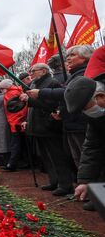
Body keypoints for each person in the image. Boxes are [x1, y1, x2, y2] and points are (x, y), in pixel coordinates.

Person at [27, 45, 93, 168]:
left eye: (72, 55)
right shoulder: (74, 74)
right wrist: (61, 113)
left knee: (87, 162)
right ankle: (85, 186)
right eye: (67, 55)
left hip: (80, 124)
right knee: (79, 161)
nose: (68, 58)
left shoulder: (85, 74)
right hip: (71, 123)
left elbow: (68, 93)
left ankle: (91, 187)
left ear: (85, 57)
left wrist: (41, 93)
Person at [21, 63, 75, 196]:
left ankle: (65, 185)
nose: (31, 74)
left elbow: (52, 104)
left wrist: (30, 101)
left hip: (49, 126)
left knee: (58, 156)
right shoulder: (34, 85)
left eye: (33, 71)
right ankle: (54, 181)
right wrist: (27, 120)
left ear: (44, 71)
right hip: (38, 126)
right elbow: (32, 107)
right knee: (46, 157)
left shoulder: (52, 83)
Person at [65, 77, 105, 211]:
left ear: (100, 96)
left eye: (86, 108)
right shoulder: (96, 118)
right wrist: (85, 181)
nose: (86, 112)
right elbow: (92, 148)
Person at [0, 79, 28, 171]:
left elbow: (15, 110)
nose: (1, 91)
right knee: (23, 143)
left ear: (5, 88)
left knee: (15, 144)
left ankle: (12, 164)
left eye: (1, 89)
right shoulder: (18, 91)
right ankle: (25, 162)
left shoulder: (10, 94)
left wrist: (15, 121)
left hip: (15, 122)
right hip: (19, 121)